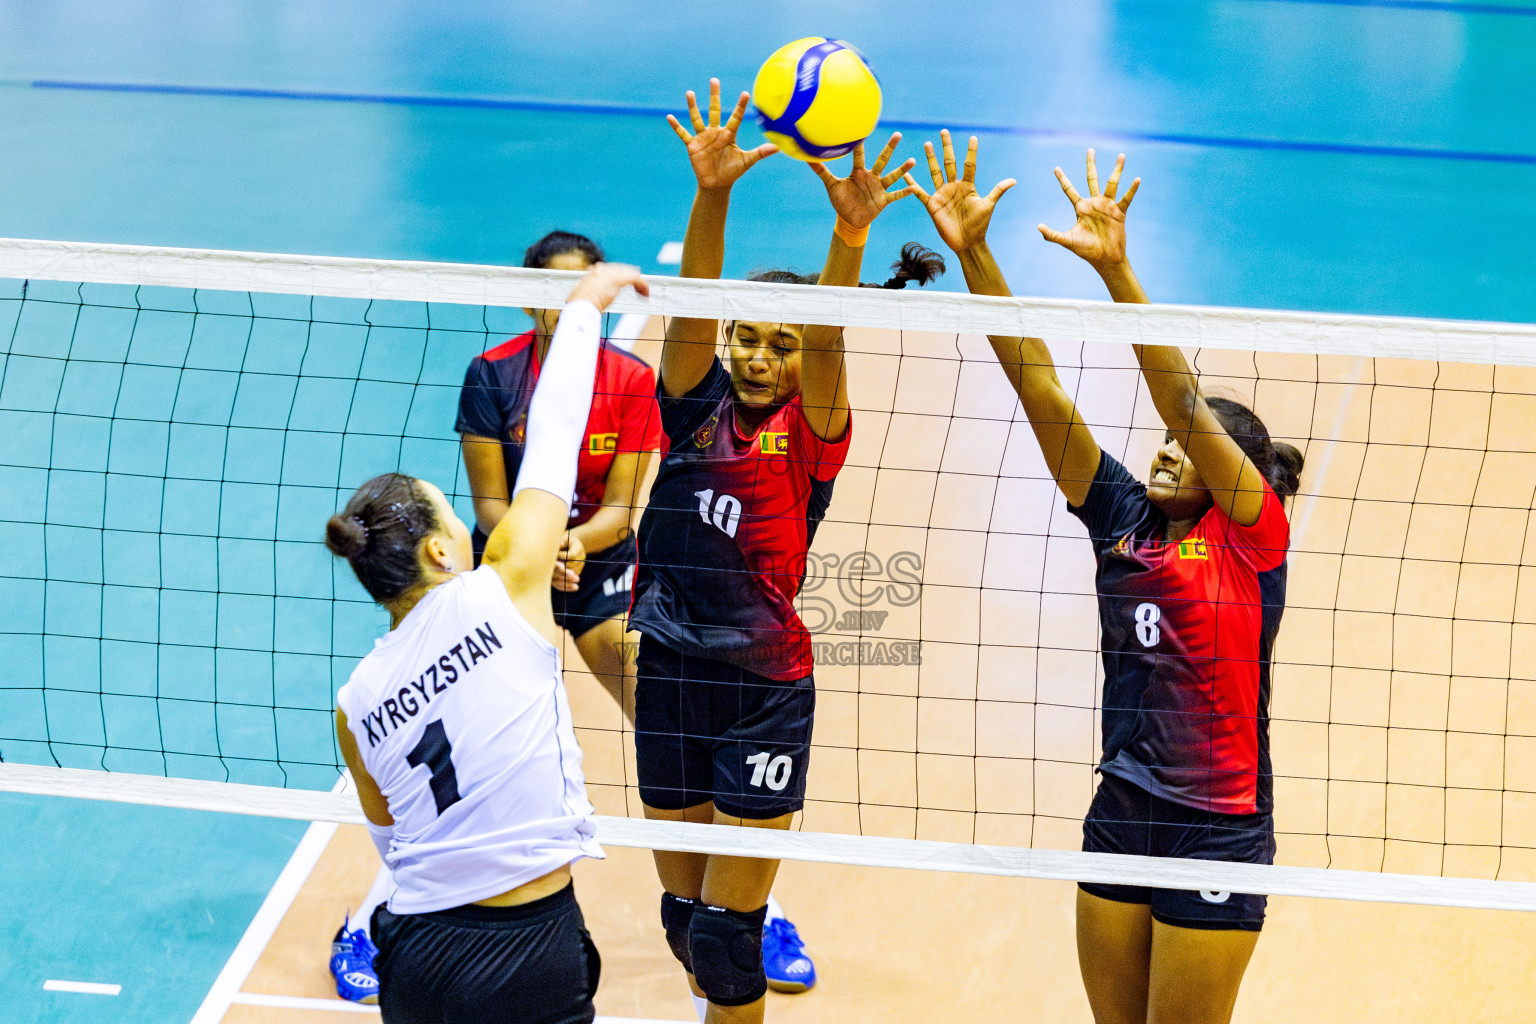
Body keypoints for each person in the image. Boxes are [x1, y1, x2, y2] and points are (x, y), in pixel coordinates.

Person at [906, 135, 1303, 1024]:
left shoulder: (1252, 537)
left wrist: (1118, 273)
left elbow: (1184, 407)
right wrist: (974, 252)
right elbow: (1035, 380)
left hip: (1217, 828)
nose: (1166, 450)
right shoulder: (1122, 519)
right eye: (1161, 446)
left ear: (1230, 468)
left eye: (1187, 449)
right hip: (1121, 810)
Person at [628, 79, 921, 1024]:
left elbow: (832, 337)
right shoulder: (692, 404)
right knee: (684, 920)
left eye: (777, 346)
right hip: (671, 670)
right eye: (746, 339)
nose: (757, 357)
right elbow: (691, 311)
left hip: (764, 688)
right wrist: (711, 193)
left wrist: (849, 236)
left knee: (724, 938)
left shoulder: (811, 431)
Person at [329, 230, 664, 1003]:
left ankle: (741, 896)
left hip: (421, 948)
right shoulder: (495, 379)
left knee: (668, 716)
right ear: (447, 551)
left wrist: (566, 545)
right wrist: (587, 309)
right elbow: (522, 478)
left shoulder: (354, 702)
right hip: (516, 576)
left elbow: (621, 510)